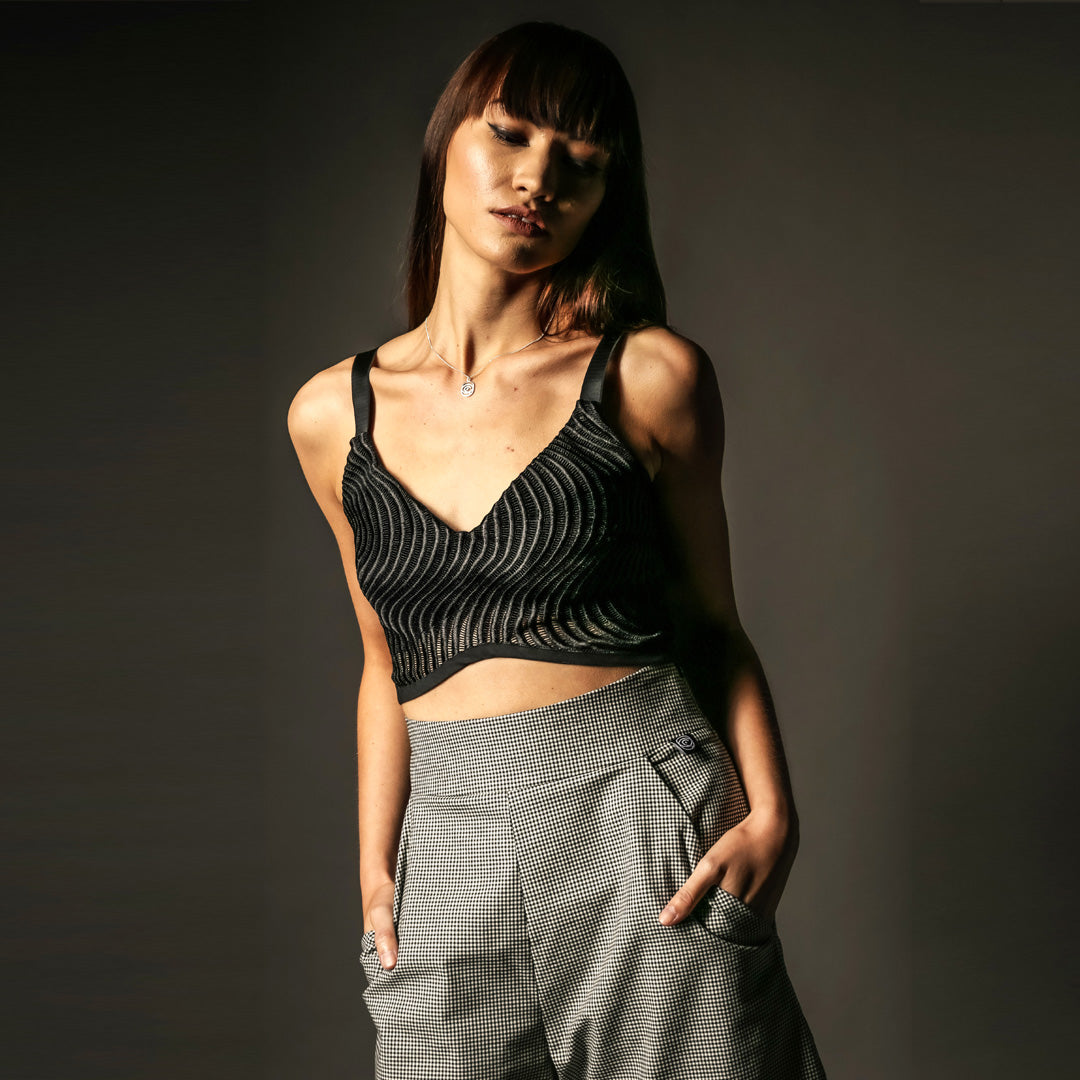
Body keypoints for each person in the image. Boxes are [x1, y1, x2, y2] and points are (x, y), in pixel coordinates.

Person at [288, 20, 828, 1080]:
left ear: (607, 198)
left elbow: (713, 626)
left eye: (583, 161)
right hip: (446, 850)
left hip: (641, 826)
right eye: (511, 134)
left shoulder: (649, 378)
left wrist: (774, 815)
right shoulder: (329, 415)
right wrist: (377, 872)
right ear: (446, 142)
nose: (540, 177)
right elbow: (382, 659)